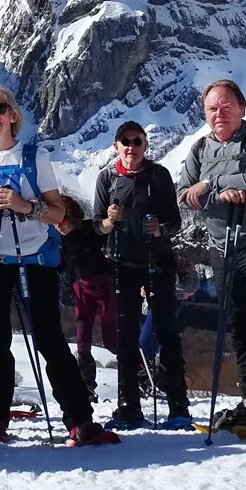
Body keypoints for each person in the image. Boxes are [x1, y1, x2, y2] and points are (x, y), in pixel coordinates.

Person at [0, 86, 116, 446]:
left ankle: (79, 419)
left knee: (49, 338)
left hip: (35, 261)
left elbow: (59, 213)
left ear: (13, 115)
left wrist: (24, 206)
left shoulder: (35, 157)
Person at [177, 79, 246, 431]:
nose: (219, 113)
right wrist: (223, 192)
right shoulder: (198, 150)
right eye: (212, 108)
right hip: (222, 245)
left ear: (242, 108)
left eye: (226, 106)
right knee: (237, 320)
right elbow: (183, 195)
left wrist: (210, 185)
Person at [95, 120, 189, 427]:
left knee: (166, 332)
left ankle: (178, 407)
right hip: (121, 263)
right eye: (126, 141)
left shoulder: (159, 175)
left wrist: (160, 229)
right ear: (116, 146)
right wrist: (109, 222)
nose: (131, 147)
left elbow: (175, 222)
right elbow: (96, 225)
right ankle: (129, 407)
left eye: (137, 141)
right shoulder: (106, 177)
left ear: (145, 145)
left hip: (157, 261)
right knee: (126, 336)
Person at [59, 195, 116, 399]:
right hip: (82, 289)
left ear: (72, 218)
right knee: (82, 341)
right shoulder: (60, 239)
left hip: (105, 287)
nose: (60, 226)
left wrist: (110, 220)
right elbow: (61, 266)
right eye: (56, 222)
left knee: (112, 341)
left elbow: (104, 228)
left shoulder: (88, 229)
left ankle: (138, 369)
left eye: (63, 221)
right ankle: (86, 385)